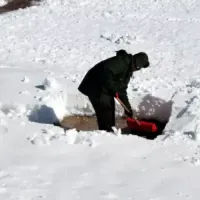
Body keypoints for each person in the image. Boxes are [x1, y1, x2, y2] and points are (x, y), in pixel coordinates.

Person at [78, 49, 150, 132]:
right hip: (95, 86)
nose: (137, 70)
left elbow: (121, 91)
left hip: (104, 88)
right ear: (137, 64)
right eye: (139, 68)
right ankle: (106, 134)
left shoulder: (127, 70)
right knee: (106, 110)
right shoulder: (121, 62)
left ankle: (109, 132)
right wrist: (112, 87)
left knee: (109, 108)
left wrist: (128, 109)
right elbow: (106, 71)